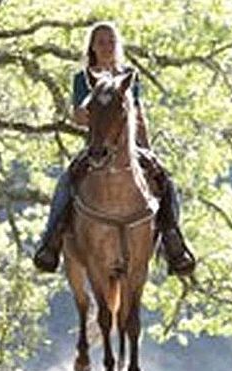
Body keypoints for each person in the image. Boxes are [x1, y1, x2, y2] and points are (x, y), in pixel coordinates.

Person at [33, 21, 196, 276]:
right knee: (66, 181)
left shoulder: (129, 75)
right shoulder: (82, 78)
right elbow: (78, 116)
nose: (107, 46)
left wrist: (147, 148)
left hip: (129, 146)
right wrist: (89, 113)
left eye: (111, 41)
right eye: (101, 42)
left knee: (165, 180)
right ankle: (51, 240)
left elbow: (138, 114)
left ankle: (173, 240)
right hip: (96, 146)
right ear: (92, 47)